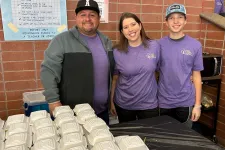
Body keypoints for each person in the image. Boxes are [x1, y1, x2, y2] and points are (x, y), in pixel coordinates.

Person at [40, 0, 114, 124]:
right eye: (83, 15)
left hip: (101, 114)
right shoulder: (61, 41)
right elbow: (48, 71)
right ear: (76, 17)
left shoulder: (106, 41)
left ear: (98, 18)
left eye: (92, 15)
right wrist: (53, 101)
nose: (88, 19)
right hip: (72, 115)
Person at [158, 3, 204, 127]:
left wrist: (197, 105)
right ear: (166, 22)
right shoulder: (158, 45)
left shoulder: (195, 45)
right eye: (171, 18)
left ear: (185, 21)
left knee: (184, 139)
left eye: (180, 17)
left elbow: (197, 76)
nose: (176, 21)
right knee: (165, 138)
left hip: (185, 101)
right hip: (163, 101)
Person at [110, 12, 160, 123]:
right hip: (124, 104)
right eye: (126, 27)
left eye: (133, 24)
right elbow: (115, 78)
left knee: (150, 137)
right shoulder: (117, 52)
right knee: (128, 138)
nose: (130, 29)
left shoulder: (154, 46)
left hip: (149, 104)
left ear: (140, 25)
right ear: (122, 32)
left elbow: (158, 71)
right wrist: (111, 101)